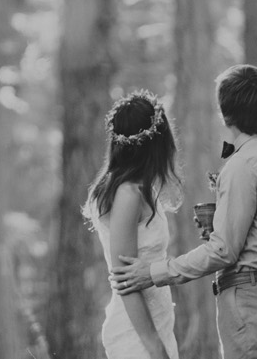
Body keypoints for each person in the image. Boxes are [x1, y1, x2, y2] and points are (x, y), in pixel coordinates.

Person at [110, 65, 257, 359]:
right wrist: (250, 229)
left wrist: (153, 273)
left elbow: (224, 251)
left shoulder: (241, 164)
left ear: (225, 114)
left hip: (252, 307)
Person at [85, 89, 183, 359]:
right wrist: (155, 350)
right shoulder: (127, 194)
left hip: (158, 319)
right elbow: (124, 280)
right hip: (138, 333)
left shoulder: (139, 190)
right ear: (156, 142)